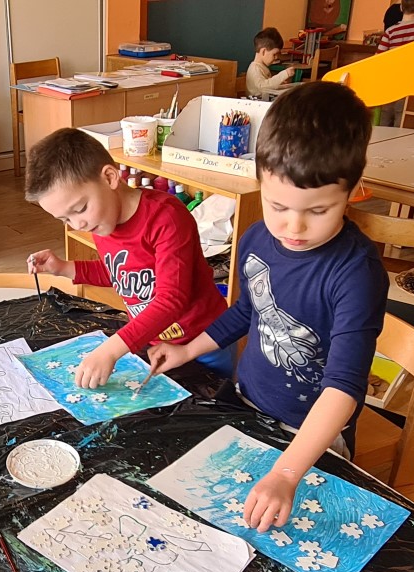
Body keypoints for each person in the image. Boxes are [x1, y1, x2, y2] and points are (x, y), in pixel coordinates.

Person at [148, 82, 388, 534]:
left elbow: (344, 387)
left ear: (354, 190)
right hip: (247, 403)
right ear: (259, 179)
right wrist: (187, 350)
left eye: (318, 211)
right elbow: (247, 311)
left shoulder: (356, 273)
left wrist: (286, 473)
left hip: (310, 440)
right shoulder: (258, 238)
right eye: (278, 206)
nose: (293, 227)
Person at [24, 128, 231, 388]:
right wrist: (64, 268)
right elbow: (120, 273)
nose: (78, 224)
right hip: (155, 342)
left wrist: (111, 350)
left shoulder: (165, 218)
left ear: (110, 177)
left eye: (80, 209)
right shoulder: (102, 220)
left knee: (213, 399)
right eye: (65, 219)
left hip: (203, 344)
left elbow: (171, 300)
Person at [376, 0, 414, 126]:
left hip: (391, 80)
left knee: (385, 114)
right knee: (402, 116)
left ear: (401, 8)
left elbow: (378, 58)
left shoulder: (390, 31)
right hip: (413, 81)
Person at [246, 27, 294, 98]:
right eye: (274, 54)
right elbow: (263, 87)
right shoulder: (255, 68)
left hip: (264, 99)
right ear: (263, 51)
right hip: (256, 101)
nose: (276, 57)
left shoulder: (262, 67)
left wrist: (279, 83)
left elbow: (268, 84)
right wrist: (284, 74)